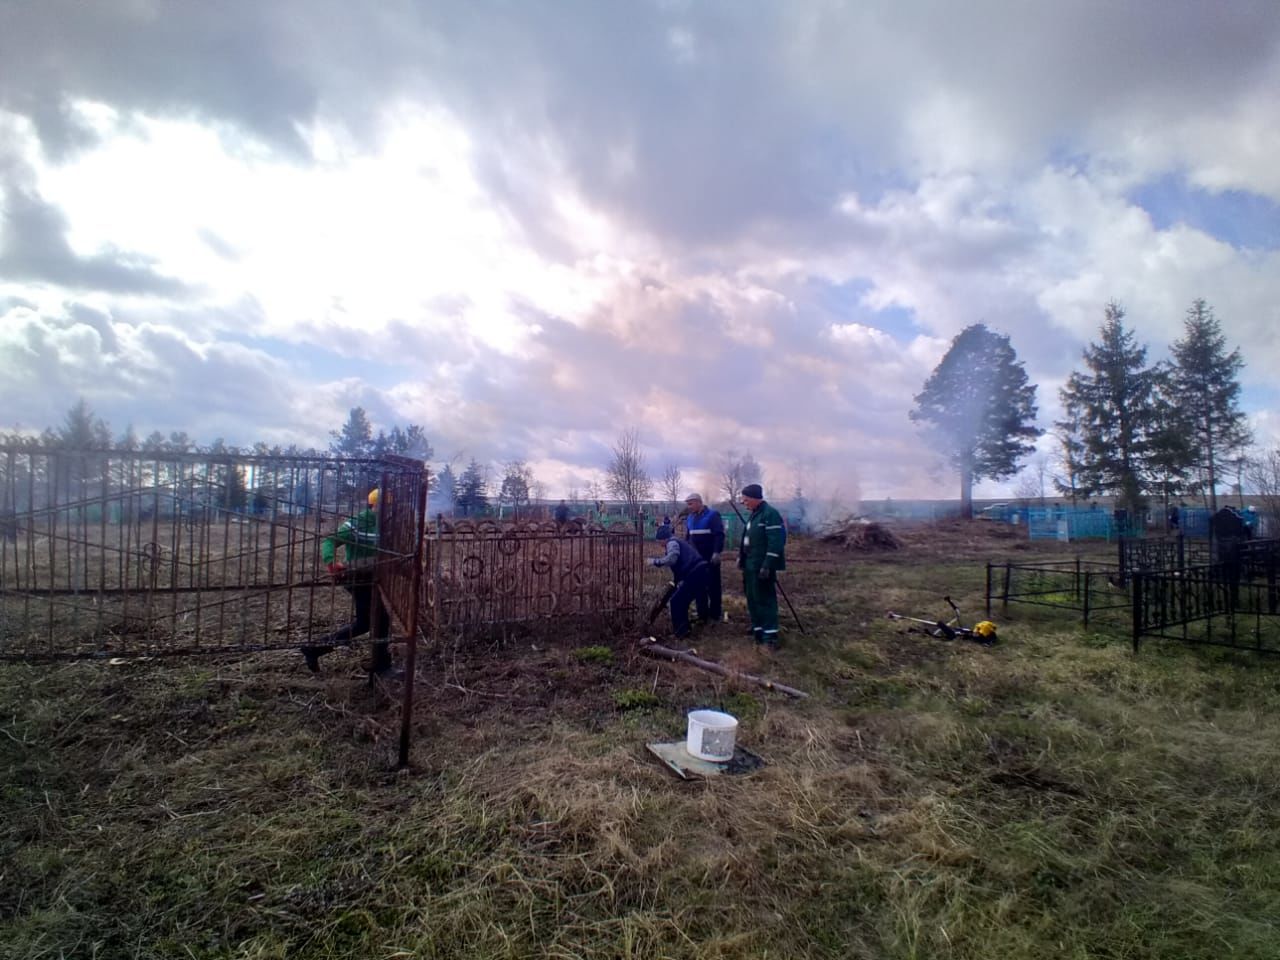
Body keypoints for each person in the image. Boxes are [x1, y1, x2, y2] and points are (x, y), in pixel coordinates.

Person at [301, 488, 400, 679]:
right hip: (357, 578)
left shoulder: (386, 525)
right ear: (374, 505)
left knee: (366, 623)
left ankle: (314, 649)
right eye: (386, 506)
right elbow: (331, 540)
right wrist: (331, 563)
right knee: (379, 620)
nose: (389, 510)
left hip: (372, 578)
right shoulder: (357, 523)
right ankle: (382, 667)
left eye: (390, 507)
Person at [737, 483, 786, 648]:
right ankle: (758, 628)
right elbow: (747, 539)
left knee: (765, 599)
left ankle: (770, 636)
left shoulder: (770, 514)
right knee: (752, 597)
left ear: (754, 498)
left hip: (762, 565)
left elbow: (776, 542)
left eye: (745, 500)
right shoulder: (754, 514)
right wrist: (741, 557)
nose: (743, 503)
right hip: (750, 565)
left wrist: (767, 564)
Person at [649, 526, 710, 639]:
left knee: (676, 602)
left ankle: (681, 633)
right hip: (700, 571)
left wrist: (655, 561)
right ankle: (686, 628)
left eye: (659, 541)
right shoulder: (677, 542)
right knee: (682, 601)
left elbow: (672, 559)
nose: (659, 544)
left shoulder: (672, 543)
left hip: (694, 573)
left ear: (663, 538)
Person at [683, 492, 725, 623]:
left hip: (710, 557)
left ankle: (715, 614)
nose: (689, 506)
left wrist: (717, 552)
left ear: (698, 502)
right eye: (688, 504)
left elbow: (719, 535)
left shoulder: (712, 515)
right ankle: (702, 614)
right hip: (696, 559)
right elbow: (688, 537)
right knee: (699, 586)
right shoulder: (690, 518)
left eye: (691, 504)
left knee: (713, 586)